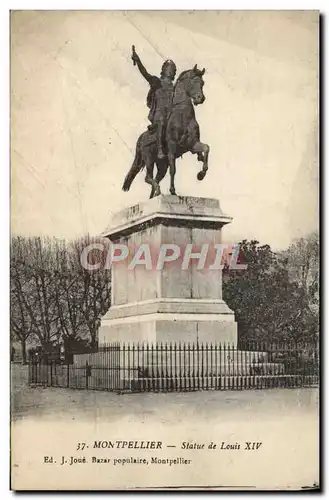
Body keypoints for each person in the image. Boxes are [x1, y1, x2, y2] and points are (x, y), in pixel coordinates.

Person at [131, 45, 176, 159]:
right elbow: (145, 73)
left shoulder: (174, 87)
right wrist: (138, 60)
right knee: (161, 120)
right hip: (158, 114)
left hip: (170, 114)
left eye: (173, 70)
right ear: (164, 70)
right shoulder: (156, 81)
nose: (171, 71)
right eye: (169, 69)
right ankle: (160, 149)